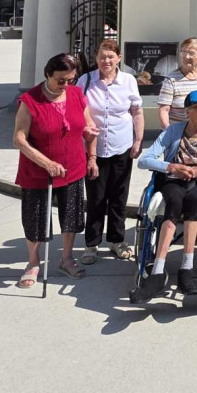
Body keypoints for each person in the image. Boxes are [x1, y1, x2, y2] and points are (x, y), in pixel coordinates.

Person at [131, 90, 197, 301]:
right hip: (174, 178)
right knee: (174, 201)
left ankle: (186, 268)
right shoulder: (173, 130)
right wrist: (171, 166)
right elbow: (145, 160)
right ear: (187, 111)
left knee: (194, 200)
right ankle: (158, 272)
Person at [13, 53, 99, 288]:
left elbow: (88, 126)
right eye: (61, 80)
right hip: (38, 171)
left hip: (73, 166)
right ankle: (33, 262)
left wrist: (92, 154)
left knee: (71, 216)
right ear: (48, 74)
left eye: (71, 79)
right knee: (36, 218)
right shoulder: (30, 100)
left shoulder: (76, 94)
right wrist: (46, 163)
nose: (66, 85)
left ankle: (66, 258)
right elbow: (19, 139)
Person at [77, 40, 144, 265]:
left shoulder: (128, 81)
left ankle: (117, 241)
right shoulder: (85, 81)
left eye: (110, 57)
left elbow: (136, 112)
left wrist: (138, 140)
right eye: (102, 56)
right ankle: (91, 244)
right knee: (95, 198)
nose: (106, 61)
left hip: (121, 146)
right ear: (96, 58)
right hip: (93, 149)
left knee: (118, 197)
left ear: (119, 58)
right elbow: (75, 110)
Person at [157, 37, 197, 129]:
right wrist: (169, 133)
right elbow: (164, 110)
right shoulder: (171, 79)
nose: (186, 56)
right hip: (177, 132)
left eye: (191, 53)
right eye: (183, 52)